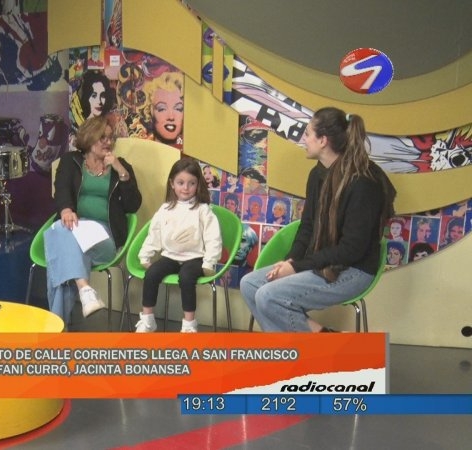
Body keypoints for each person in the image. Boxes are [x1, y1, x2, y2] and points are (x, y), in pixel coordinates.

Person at [240, 107, 396, 332]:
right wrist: (291, 261)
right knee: (249, 284)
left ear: (323, 140)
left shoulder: (363, 183)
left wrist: (298, 267)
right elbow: (308, 226)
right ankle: (314, 341)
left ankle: (318, 344)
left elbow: (351, 250)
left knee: (268, 296)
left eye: (307, 134)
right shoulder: (317, 174)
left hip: (354, 270)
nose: (304, 140)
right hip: (325, 262)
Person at [44, 115, 141, 328]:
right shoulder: (70, 161)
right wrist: (66, 209)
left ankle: (61, 321)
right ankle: (81, 296)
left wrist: (121, 172)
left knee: (59, 240)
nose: (108, 142)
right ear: (89, 138)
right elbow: (61, 189)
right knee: (65, 242)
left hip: (104, 237)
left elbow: (133, 205)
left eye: (110, 137)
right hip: (74, 228)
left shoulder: (121, 166)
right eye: (102, 137)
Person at [135, 158, 223, 333]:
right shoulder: (165, 209)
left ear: (198, 185)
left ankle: (189, 325)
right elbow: (154, 234)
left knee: (186, 277)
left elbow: (213, 238)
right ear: (172, 184)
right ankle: (147, 320)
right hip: (170, 257)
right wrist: (145, 256)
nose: (186, 188)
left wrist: (209, 262)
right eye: (180, 183)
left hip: (195, 258)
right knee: (152, 274)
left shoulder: (203, 210)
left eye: (191, 183)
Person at [142, 71, 184, 148]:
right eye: (162, 109)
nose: (171, 117)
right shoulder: (142, 149)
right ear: (150, 111)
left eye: (178, 109)